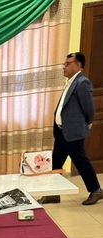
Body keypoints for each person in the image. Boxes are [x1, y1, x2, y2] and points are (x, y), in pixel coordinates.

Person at [40, 52, 103, 206]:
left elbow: (89, 109)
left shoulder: (82, 83)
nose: (64, 66)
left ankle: (96, 190)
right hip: (62, 131)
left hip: (73, 132)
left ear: (78, 65)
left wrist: (85, 123)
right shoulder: (71, 82)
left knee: (81, 162)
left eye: (68, 63)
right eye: (65, 63)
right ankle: (53, 194)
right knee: (56, 163)